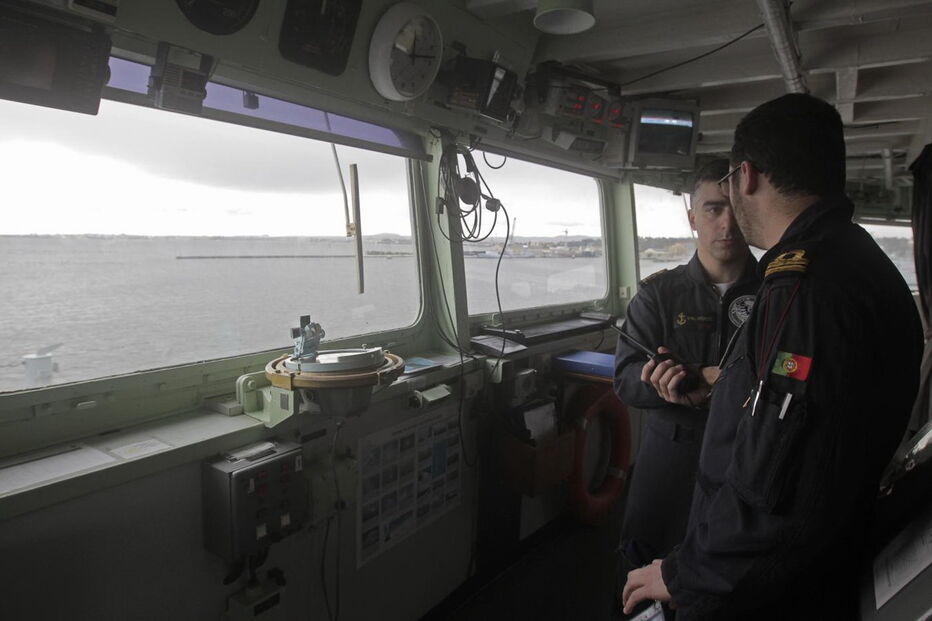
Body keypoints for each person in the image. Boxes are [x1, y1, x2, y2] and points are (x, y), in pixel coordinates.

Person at [621, 93, 924, 620]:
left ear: (747, 176)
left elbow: (777, 477)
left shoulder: (800, 289)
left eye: (727, 197)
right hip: (734, 518)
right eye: (709, 210)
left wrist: (687, 575)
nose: (726, 221)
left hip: (765, 580)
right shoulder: (861, 263)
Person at [613, 159, 760, 607]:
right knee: (645, 574)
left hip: (745, 457)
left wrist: (724, 381)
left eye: (734, 207)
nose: (726, 222)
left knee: (731, 578)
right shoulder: (658, 295)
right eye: (713, 209)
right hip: (669, 456)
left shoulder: (779, 291)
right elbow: (624, 380)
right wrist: (671, 385)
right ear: (693, 218)